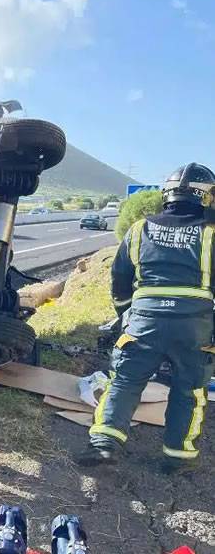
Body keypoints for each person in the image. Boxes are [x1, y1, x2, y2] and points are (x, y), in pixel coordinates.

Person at [79, 163, 215, 474]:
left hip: (144, 320)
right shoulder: (210, 235)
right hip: (194, 326)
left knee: (125, 382)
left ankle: (104, 443)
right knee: (189, 390)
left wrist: (126, 316)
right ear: (205, 197)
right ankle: (178, 456)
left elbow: (119, 280)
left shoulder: (139, 229)